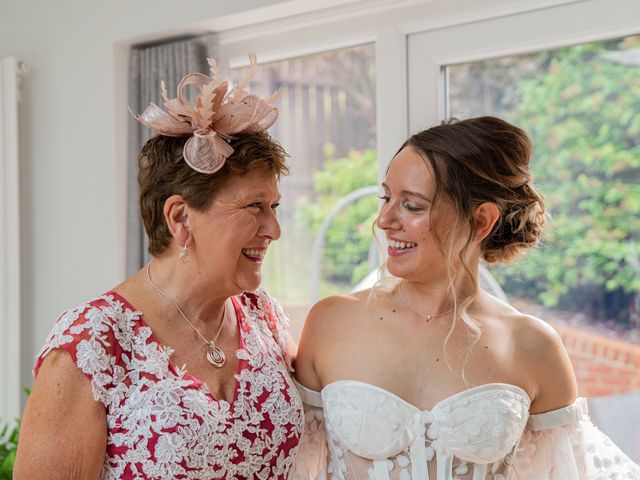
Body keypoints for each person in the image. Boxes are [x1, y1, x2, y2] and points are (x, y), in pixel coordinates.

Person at [290, 116, 640, 479]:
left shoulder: (532, 345)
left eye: (412, 206)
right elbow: (295, 465)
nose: (384, 219)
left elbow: (568, 470)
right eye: (387, 197)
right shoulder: (332, 323)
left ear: (481, 221)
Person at [14, 55, 303, 479]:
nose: (274, 229)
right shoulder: (91, 344)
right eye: (255, 207)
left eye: (274, 206)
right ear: (181, 217)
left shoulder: (263, 316)